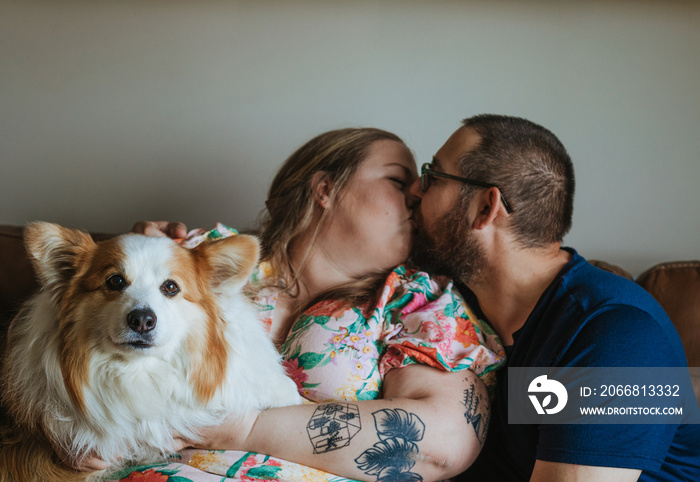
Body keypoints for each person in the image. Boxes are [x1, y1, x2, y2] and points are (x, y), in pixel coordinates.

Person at [79, 127, 505, 482]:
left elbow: (441, 445)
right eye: (398, 180)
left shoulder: (418, 303)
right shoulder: (197, 261)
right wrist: (75, 436)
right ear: (325, 189)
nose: (417, 194)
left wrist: (245, 428)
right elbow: (75, 346)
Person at [408, 114, 700, 481]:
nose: (415, 191)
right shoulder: (450, 302)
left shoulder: (616, 334)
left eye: (433, 176)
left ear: (485, 208)